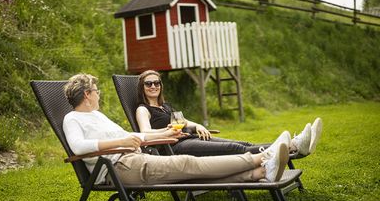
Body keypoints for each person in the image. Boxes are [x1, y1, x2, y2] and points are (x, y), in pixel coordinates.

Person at [63, 73, 292, 186]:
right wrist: (118, 144)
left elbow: (132, 135)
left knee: (188, 174)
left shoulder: (98, 115)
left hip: (132, 157)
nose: (98, 93)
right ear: (86, 94)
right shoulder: (72, 118)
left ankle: (260, 173)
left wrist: (164, 133)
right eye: (96, 90)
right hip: (117, 167)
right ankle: (262, 157)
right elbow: (78, 147)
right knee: (186, 164)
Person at [136, 70, 323, 157]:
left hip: (190, 137)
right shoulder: (143, 109)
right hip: (175, 147)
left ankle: (293, 145)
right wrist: (167, 133)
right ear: (142, 88)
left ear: (161, 86)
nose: (153, 86)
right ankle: (293, 147)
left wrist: (198, 125)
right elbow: (144, 133)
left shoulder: (165, 106)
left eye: (157, 83)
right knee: (234, 150)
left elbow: (183, 121)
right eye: (148, 83)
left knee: (241, 143)